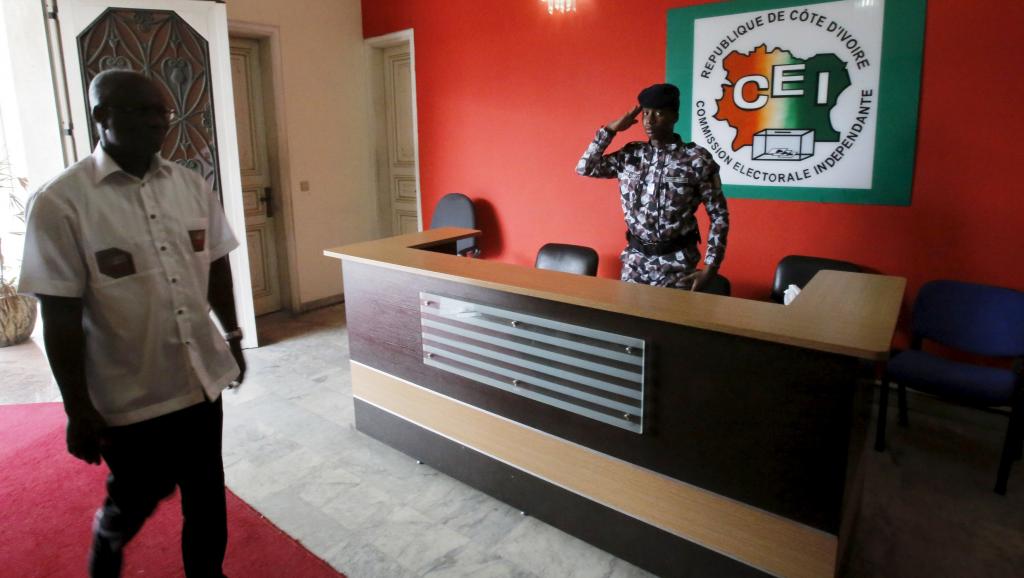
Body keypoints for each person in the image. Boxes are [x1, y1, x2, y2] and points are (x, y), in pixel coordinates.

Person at [18, 69, 246, 577]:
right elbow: (59, 315)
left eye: (161, 112)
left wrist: (231, 335)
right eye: (141, 110)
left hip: (199, 379)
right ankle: (108, 537)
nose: (157, 122)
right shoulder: (61, 203)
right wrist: (77, 409)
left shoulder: (190, 185)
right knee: (139, 498)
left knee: (207, 493)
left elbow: (217, 263)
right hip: (129, 394)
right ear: (102, 116)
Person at [576, 83, 729, 291]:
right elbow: (586, 168)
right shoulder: (631, 155)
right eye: (646, 113)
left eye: (658, 113)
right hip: (635, 263)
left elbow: (719, 215)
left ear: (674, 116)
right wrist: (610, 130)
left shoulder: (696, 159)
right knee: (630, 322)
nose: (649, 120)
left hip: (677, 264)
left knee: (670, 322)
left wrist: (711, 268)